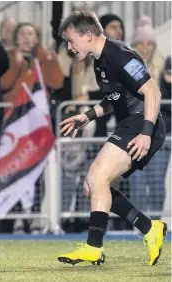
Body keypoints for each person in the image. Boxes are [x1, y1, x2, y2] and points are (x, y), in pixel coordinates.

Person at [56, 10, 167, 266]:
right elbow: (115, 99)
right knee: (92, 186)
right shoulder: (100, 60)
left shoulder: (119, 55)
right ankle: (150, 229)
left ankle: (94, 247)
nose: (70, 47)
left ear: (87, 35)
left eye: (71, 41)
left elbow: (153, 92)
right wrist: (86, 116)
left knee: (96, 178)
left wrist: (146, 134)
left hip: (142, 123)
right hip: (132, 123)